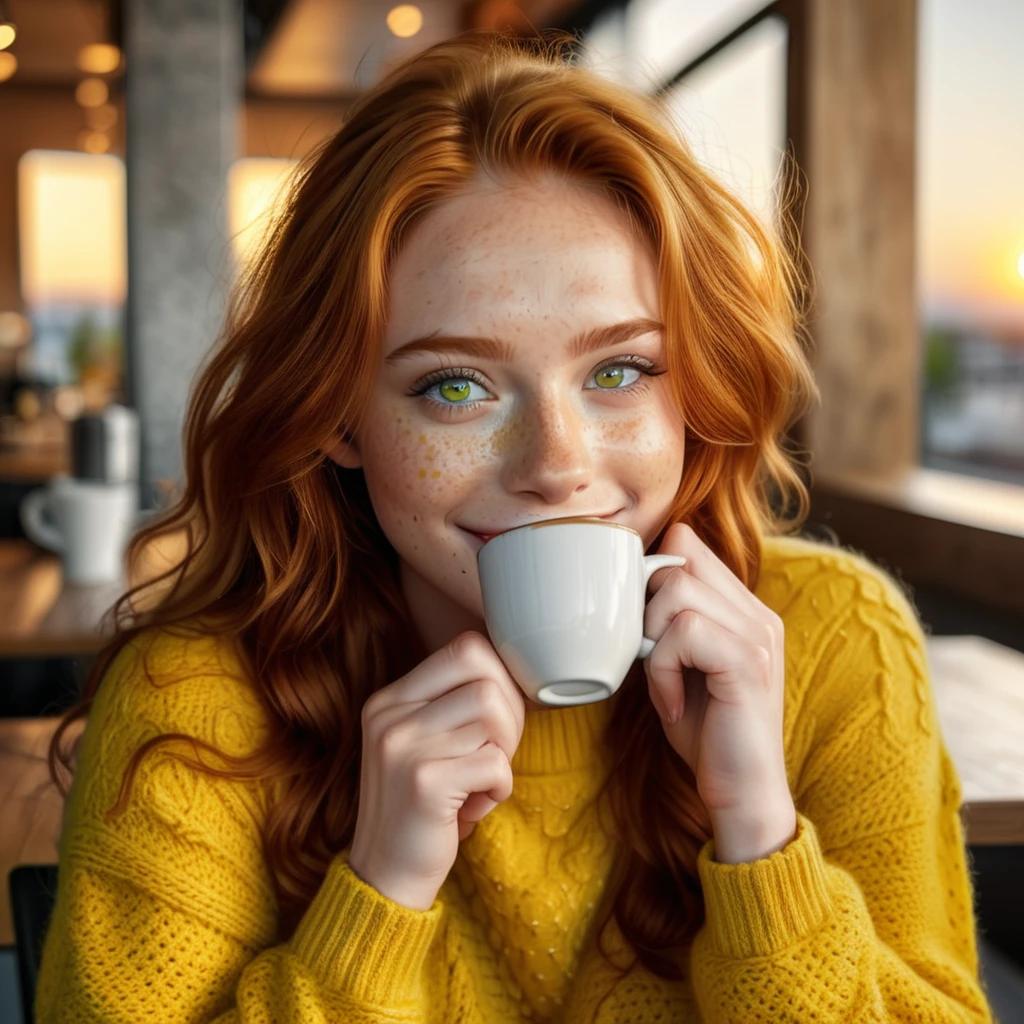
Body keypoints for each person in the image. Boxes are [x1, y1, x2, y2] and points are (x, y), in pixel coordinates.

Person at [37, 29, 993, 1024]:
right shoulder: (200, 704)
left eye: (618, 371)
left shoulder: (836, 645)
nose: (558, 464)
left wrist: (757, 827)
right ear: (336, 417)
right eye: (456, 385)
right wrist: (378, 895)